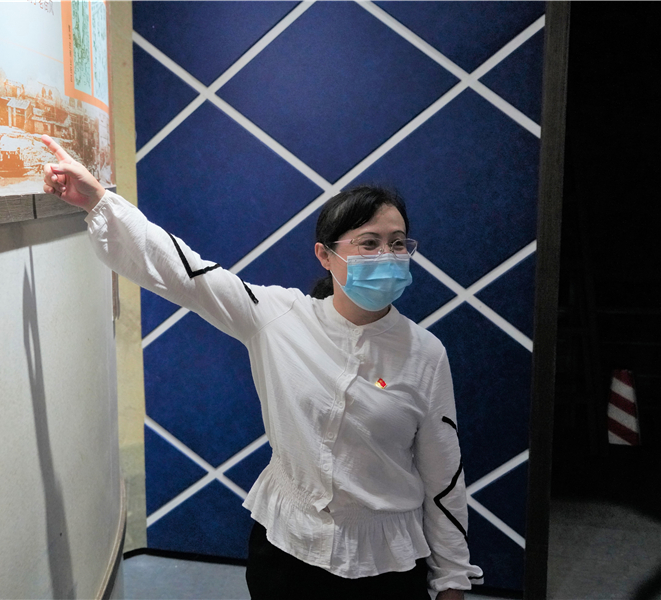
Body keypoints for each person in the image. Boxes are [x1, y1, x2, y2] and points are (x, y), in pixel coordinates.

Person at [41, 135, 482, 599]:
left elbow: (443, 474)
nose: (387, 257)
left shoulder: (425, 353)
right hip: (289, 549)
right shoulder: (279, 316)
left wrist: (452, 577)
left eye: (397, 244)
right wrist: (98, 200)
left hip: (385, 563)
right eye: (369, 243)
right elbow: (184, 272)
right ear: (325, 255)